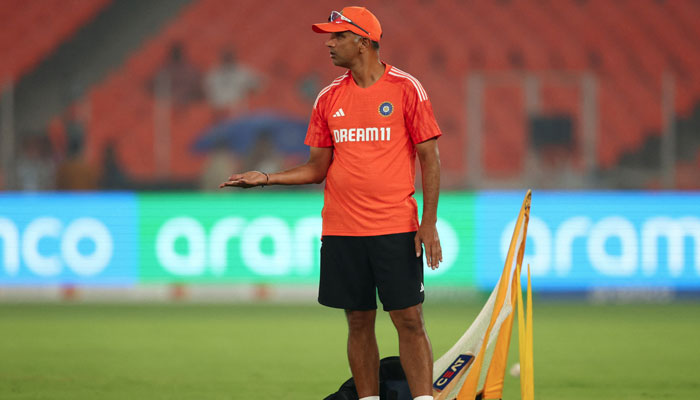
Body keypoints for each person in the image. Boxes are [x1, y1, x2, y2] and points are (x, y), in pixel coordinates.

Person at [220, 7, 442, 400]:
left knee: (408, 320)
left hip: (395, 226)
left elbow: (430, 158)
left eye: (338, 36)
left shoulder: (407, 89)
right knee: (358, 321)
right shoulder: (328, 98)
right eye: (330, 36)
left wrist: (429, 223)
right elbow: (316, 168)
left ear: (363, 41)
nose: (329, 43)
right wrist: (267, 178)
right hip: (342, 230)